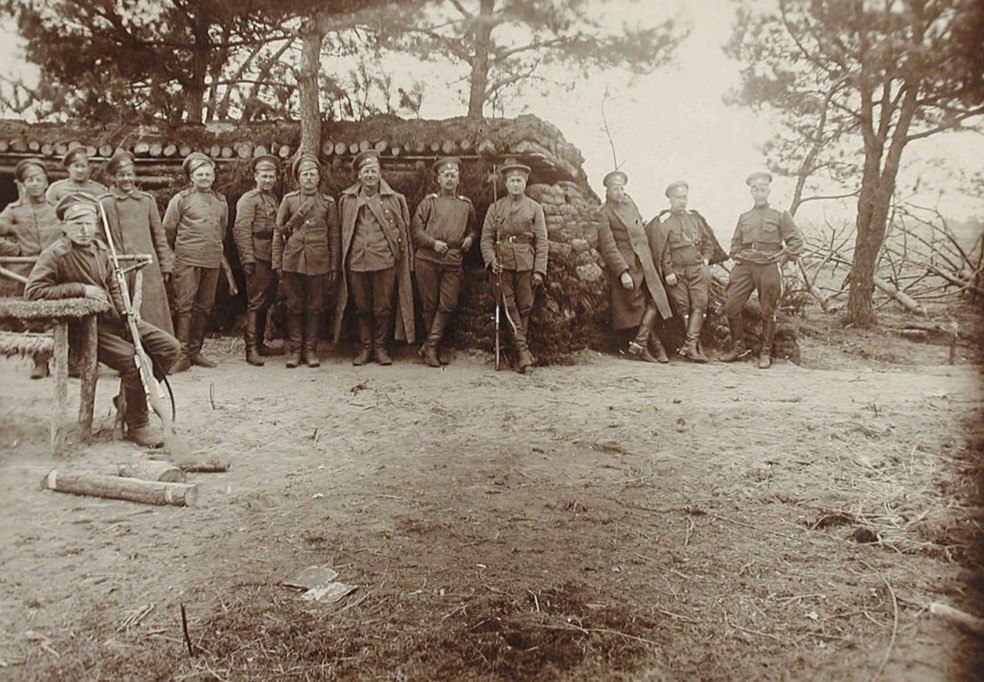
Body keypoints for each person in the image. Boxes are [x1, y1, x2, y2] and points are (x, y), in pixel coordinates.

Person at [24, 192, 180, 448]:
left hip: (115, 321)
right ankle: (138, 424)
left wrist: (125, 310)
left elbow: (112, 283)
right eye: (77, 223)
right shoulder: (56, 254)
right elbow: (33, 291)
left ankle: (130, 400)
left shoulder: (100, 249)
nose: (85, 230)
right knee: (133, 362)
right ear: (63, 226)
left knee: (169, 347)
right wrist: (80, 289)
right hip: (85, 328)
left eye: (89, 222)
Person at [334, 150, 414, 366]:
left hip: (384, 261)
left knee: (382, 307)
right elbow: (341, 231)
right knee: (362, 307)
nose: (370, 175)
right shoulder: (347, 200)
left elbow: (404, 232)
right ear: (359, 175)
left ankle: (380, 348)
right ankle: (366, 348)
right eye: (366, 171)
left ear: (380, 174)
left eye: (373, 171)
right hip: (357, 262)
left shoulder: (395, 199)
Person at [721, 172, 804, 369]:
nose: (759, 193)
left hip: (769, 265)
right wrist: (738, 255)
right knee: (731, 305)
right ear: (751, 192)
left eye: (763, 189)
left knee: (768, 310)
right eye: (755, 189)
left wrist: (782, 258)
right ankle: (738, 347)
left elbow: (796, 241)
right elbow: (735, 243)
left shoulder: (780, 215)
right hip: (745, 265)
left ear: (768, 191)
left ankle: (765, 352)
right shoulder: (745, 217)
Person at [595, 170, 672, 363]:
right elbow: (608, 246)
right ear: (607, 190)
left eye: (622, 188)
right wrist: (622, 272)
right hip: (627, 263)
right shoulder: (603, 213)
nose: (619, 192)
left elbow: (642, 231)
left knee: (656, 298)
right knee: (637, 304)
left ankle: (640, 343)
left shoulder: (630, 205)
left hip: (644, 260)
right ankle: (652, 346)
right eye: (615, 188)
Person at [480, 158, 548, 374]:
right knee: (508, 307)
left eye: (519, 180)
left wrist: (539, 270)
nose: (516, 184)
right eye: (512, 181)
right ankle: (523, 354)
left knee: (525, 307)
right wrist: (491, 260)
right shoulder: (495, 207)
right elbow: (486, 239)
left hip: (526, 263)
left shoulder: (535, 208)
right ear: (506, 183)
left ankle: (517, 352)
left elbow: (542, 241)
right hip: (502, 264)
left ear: (525, 182)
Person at [162, 152, 228, 372]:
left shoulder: (220, 201)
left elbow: (222, 230)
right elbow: (167, 230)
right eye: (200, 174)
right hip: (187, 260)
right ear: (191, 177)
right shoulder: (181, 199)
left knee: (204, 306)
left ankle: (195, 351)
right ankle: (181, 355)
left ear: (213, 176)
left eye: (208, 174)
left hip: (211, 260)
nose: (204, 178)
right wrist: (177, 254)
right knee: (184, 306)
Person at [98, 151, 174, 335]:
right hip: (120, 266)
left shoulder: (147, 201)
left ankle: (160, 348)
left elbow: (159, 235)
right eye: (121, 175)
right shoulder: (104, 203)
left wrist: (165, 265)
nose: (126, 179)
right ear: (113, 177)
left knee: (152, 311)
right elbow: (99, 238)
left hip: (148, 267)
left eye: (129, 174)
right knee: (123, 310)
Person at [273, 153, 339, 368]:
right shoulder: (289, 200)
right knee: (294, 306)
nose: (309, 178)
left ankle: (310, 350)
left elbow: (334, 235)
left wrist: (334, 265)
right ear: (298, 178)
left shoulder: (328, 203)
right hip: (292, 261)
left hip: (319, 262)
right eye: (304, 174)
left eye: (312, 174)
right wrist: (277, 262)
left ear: (319, 177)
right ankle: (295, 350)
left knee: (315, 307)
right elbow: (278, 233)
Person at [650, 180, 727, 363]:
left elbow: (708, 242)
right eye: (677, 198)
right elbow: (663, 250)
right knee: (683, 306)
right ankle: (693, 346)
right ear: (670, 199)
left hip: (697, 269)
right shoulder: (664, 221)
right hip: (676, 272)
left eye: (684, 197)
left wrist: (705, 260)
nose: (682, 201)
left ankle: (690, 346)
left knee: (700, 304)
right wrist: (668, 271)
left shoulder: (695, 219)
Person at [411, 157, 477, 367]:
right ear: (438, 179)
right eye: (445, 175)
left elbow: (473, 228)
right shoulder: (428, 203)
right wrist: (433, 243)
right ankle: (433, 349)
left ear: (458, 179)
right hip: (427, 259)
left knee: (448, 303)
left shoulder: (466, 205)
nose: (449, 179)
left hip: (452, 260)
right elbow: (415, 231)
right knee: (430, 305)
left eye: (453, 175)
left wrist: (470, 238)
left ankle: (429, 346)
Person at [0, 158, 63, 378]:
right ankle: (40, 361)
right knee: (35, 316)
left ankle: (71, 360)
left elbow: (72, 231)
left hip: (56, 270)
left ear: (46, 183)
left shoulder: (57, 208)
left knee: (64, 313)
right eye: (29, 180)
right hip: (26, 273)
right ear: (23, 184)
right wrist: (14, 249)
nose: (34, 184)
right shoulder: (14, 211)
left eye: (38, 179)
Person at [233, 154, 283, 366]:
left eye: (271, 176)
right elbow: (241, 230)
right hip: (257, 255)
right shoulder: (248, 200)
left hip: (272, 254)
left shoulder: (273, 199)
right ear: (255, 176)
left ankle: (260, 343)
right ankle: (251, 349)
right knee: (256, 301)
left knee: (267, 300)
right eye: (264, 176)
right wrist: (247, 259)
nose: (268, 180)